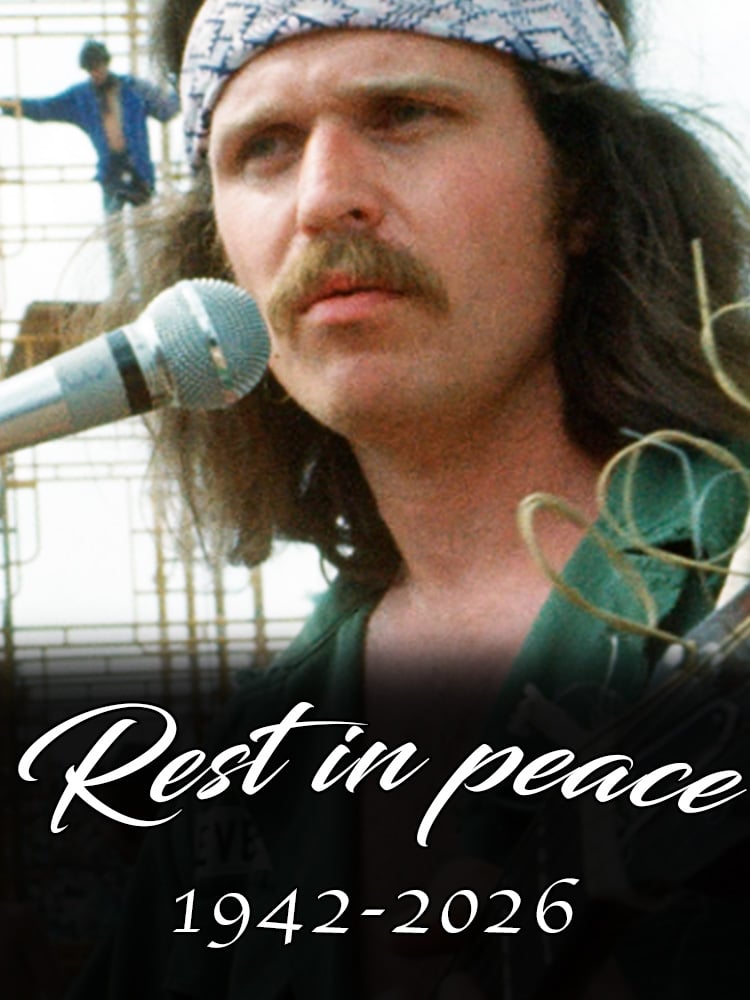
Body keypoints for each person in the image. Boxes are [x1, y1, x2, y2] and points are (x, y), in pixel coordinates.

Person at [62, 0, 750, 997]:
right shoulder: (243, 779)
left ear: (586, 187)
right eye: (264, 147)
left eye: (404, 114)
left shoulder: (729, 572)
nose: (323, 198)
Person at [0, 38, 179, 286]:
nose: (96, 73)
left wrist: (183, 84)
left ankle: (151, 286)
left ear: (106, 64)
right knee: (115, 236)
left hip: (138, 171)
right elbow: (46, 108)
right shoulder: (82, 97)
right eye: (91, 69)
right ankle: (122, 291)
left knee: (145, 234)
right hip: (112, 172)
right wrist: (10, 105)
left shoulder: (132, 88)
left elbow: (166, 109)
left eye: (99, 67)